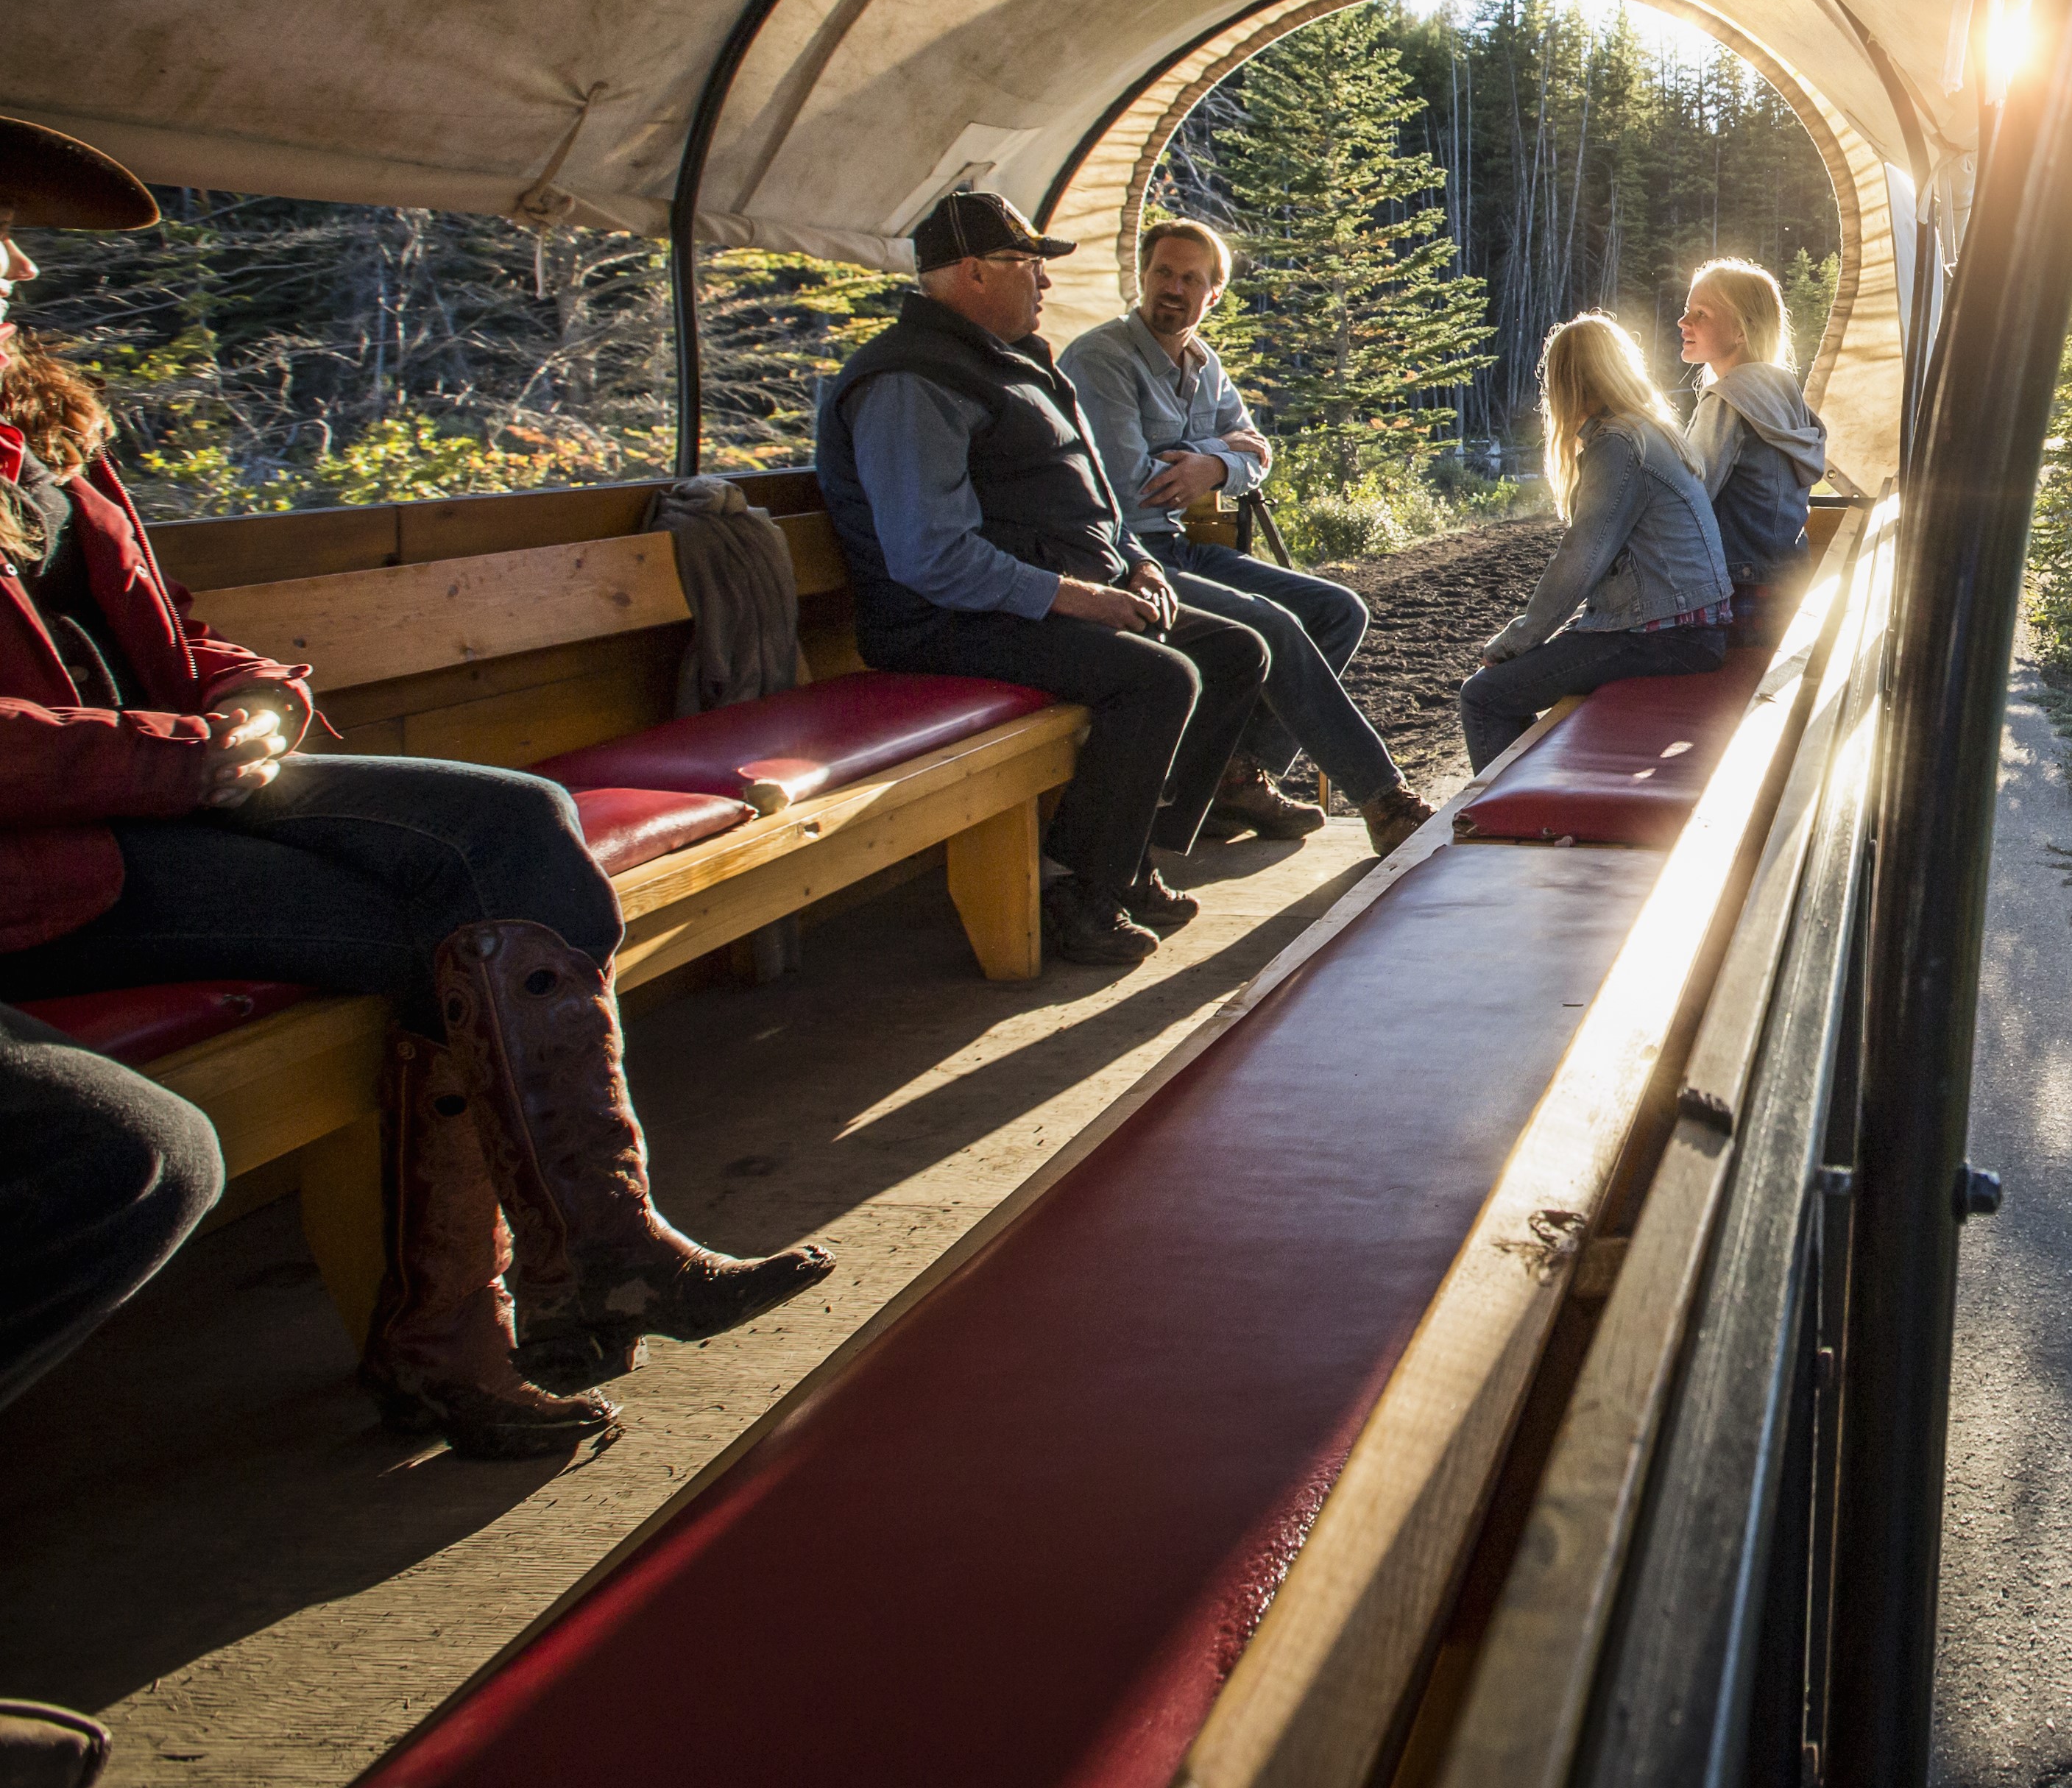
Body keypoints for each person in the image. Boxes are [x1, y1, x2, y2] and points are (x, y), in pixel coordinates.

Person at [0, 117, 826, 1472]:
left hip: (170, 783)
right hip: (53, 858)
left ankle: (599, 1247)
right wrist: (183, 754)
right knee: (454, 941)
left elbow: (169, 627)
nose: (25, 269)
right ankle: (460, 1336)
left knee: (510, 826)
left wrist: (254, 694)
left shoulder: (45, 440)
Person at [813, 191, 1272, 964]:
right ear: (973, 272)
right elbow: (931, 556)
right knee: (1158, 680)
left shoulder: (1012, 363)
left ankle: (1128, 854)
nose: (1045, 282)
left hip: (1048, 594)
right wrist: (1081, 599)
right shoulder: (911, 381)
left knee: (1236, 652)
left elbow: (1091, 499)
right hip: (946, 621)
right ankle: (1073, 887)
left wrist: (1139, 563)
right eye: (1028, 265)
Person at [1057, 221, 1437, 857]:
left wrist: (1211, 465)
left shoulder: (1204, 365)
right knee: (1272, 624)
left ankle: (1236, 776)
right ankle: (1384, 799)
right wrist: (1216, 454)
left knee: (1338, 610)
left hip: (1180, 547)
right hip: (1123, 556)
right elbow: (1131, 487)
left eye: (1190, 279)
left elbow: (1258, 451)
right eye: (1162, 273)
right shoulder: (1103, 360)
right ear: (1142, 276)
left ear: (1213, 295)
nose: (1173, 288)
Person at [1460, 316, 1737, 771]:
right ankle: (1533, 793)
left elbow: (1581, 558)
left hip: (1665, 638)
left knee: (1484, 696)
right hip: (1687, 628)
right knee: (1515, 685)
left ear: (1565, 383)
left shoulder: (1618, 443)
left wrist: (1517, 641)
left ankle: (1521, 811)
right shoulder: (1649, 429)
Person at [1675, 258, 1829, 620]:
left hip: (1739, 596)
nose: (1684, 322)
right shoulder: (1782, 391)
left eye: (1701, 314)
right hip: (1787, 584)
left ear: (1742, 332)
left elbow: (1687, 500)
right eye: (1687, 310)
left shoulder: (1728, 400)